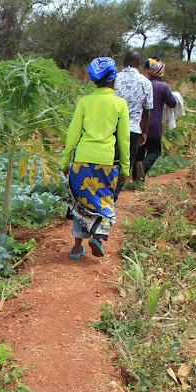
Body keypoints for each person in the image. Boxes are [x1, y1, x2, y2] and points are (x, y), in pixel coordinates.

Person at [61, 57, 130, 260]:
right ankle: (98, 237)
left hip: (82, 160)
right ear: (113, 79)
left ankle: (76, 248)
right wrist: (125, 167)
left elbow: (73, 134)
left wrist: (66, 161)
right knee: (104, 200)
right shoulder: (120, 104)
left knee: (79, 202)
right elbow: (124, 140)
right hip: (106, 162)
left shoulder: (85, 102)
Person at [114, 50, 153, 187]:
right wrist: (144, 132)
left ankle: (104, 197)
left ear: (124, 63)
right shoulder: (146, 83)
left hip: (113, 128)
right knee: (125, 167)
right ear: (139, 64)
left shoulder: (114, 79)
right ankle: (114, 197)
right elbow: (146, 112)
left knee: (110, 164)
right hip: (133, 131)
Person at [136, 58, 177, 180]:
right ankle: (143, 166)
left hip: (139, 124)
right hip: (154, 126)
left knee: (139, 151)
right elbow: (172, 103)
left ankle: (136, 178)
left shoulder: (143, 83)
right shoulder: (163, 86)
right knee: (155, 151)